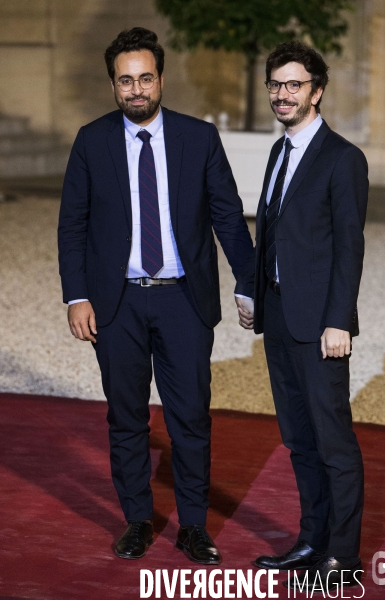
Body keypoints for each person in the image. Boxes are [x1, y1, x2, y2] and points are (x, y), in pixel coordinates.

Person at [58, 27, 254, 564]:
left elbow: (227, 218)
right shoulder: (91, 140)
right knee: (126, 419)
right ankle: (137, 521)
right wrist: (76, 296)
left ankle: (193, 525)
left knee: (190, 416)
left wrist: (250, 281)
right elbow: (72, 225)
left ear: (161, 79)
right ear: (114, 85)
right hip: (115, 303)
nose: (137, 89)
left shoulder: (198, 138)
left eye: (146, 77)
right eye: (126, 81)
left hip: (182, 301)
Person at [237, 42, 368, 591]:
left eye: (293, 84)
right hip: (279, 318)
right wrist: (251, 289)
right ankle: (312, 540)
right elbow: (270, 231)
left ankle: (343, 558)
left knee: (334, 443)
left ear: (316, 90)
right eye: (275, 84)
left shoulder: (343, 158)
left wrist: (339, 320)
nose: (281, 94)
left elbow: (348, 247)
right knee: (299, 440)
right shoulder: (278, 152)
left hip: (320, 327)